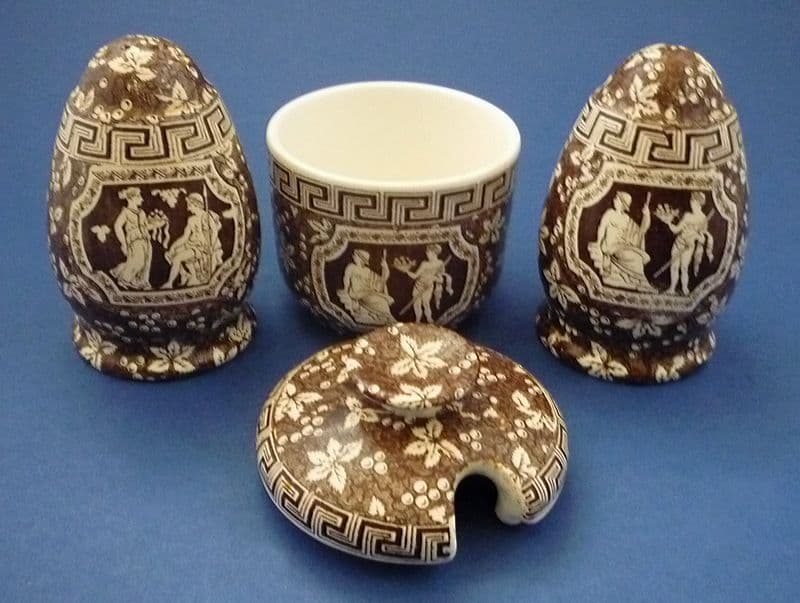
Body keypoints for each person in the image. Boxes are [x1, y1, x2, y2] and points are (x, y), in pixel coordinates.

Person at [588, 191, 655, 292]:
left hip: (622, 246)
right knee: (634, 258)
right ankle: (641, 282)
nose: (614, 200)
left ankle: (636, 281)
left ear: (623, 203)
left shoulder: (627, 219)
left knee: (637, 257)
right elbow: (602, 227)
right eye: (615, 198)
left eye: (617, 199)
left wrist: (646, 216)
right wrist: (598, 242)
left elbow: (640, 231)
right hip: (610, 246)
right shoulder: (610, 213)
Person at [657, 191, 714, 295]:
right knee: (674, 266)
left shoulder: (703, 219)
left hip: (689, 247)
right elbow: (676, 230)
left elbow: (702, 237)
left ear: (698, 203)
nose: (691, 203)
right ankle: (672, 288)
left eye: (692, 201)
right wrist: (668, 222)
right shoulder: (687, 216)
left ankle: (684, 289)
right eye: (691, 201)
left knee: (684, 268)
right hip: (678, 243)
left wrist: (697, 238)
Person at [163, 192, 223, 288]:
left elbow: (214, 231)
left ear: (195, 204)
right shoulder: (191, 219)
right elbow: (185, 237)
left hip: (200, 247)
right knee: (169, 254)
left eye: (189, 204)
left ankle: (170, 283)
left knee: (177, 258)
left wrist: (211, 245)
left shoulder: (206, 217)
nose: (188, 207)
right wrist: (173, 247)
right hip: (190, 244)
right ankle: (184, 274)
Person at [110, 187, 165, 290]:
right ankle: (124, 279)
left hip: (145, 239)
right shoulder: (126, 212)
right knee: (138, 261)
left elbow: (145, 227)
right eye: (139, 197)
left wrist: (157, 225)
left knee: (145, 263)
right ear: (131, 198)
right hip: (134, 240)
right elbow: (117, 226)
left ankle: (141, 282)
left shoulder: (141, 212)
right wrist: (123, 242)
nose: (142, 199)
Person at [395, 244, 454, 322]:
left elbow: (440, 278)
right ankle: (418, 320)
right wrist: (406, 271)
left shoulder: (440, 263)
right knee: (417, 303)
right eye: (427, 252)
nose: (426, 254)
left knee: (426, 303)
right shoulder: (424, 264)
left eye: (428, 252)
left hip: (428, 286)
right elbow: (415, 276)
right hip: (418, 286)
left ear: (434, 253)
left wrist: (434, 279)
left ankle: (429, 319)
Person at [337, 249, 395, 325]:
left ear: (361, 259)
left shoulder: (367, 271)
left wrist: (385, 268)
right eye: (354, 255)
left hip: (368, 291)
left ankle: (385, 317)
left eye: (355, 255)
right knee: (378, 301)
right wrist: (345, 289)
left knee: (383, 300)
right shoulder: (351, 267)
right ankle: (387, 317)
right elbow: (346, 278)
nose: (353, 256)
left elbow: (381, 280)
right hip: (357, 293)